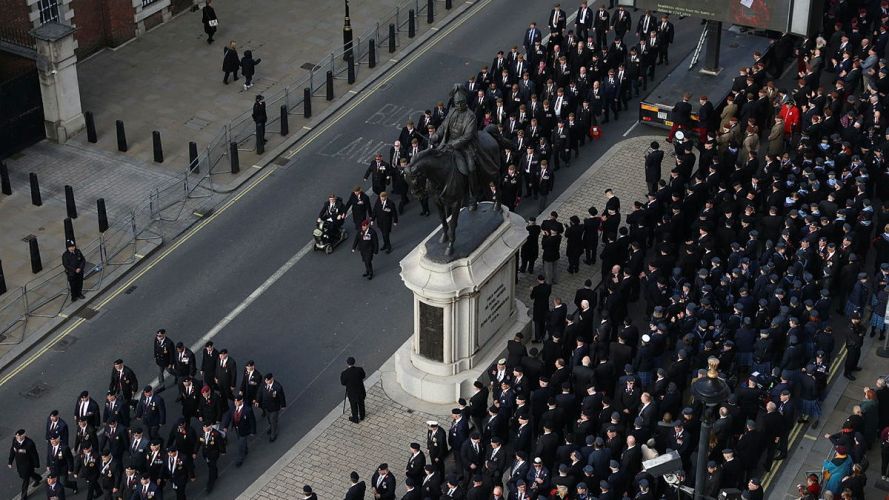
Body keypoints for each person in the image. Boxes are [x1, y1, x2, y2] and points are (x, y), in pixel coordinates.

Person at [8, 429, 41, 499]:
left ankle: (23, 496)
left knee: (25, 480)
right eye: (16, 436)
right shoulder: (15, 440)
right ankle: (38, 478)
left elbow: (34, 455)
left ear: (23, 435)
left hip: (28, 465)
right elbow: (12, 450)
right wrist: (10, 461)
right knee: (31, 474)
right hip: (19, 464)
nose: (17, 438)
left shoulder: (29, 443)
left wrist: (36, 464)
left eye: (19, 436)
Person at [256, 373, 286, 442]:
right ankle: (272, 426)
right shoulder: (264, 384)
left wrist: (283, 405)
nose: (266, 382)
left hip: (274, 407)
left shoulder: (277, 387)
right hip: (266, 406)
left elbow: (282, 396)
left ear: (271, 379)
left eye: (267, 380)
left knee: (273, 420)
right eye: (265, 380)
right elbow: (260, 392)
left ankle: (273, 434)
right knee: (269, 418)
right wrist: (257, 400)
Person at [196, 422, 224, 493]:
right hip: (205, 454)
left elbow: (220, 443)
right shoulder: (201, 433)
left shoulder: (216, 434)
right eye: (204, 428)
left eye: (206, 427)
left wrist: (222, 451)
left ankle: (209, 485)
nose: (205, 429)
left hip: (213, 454)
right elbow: (198, 443)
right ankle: (215, 474)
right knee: (211, 466)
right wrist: (195, 452)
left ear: (210, 426)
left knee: (211, 468)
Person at [228, 394, 256, 467]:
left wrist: (253, 431)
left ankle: (240, 459)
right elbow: (230, 416)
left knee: (240, 444)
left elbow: (252, 421)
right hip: (237, 429)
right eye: (235, 401)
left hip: (244, 430)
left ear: (241, 401)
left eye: (237, 401)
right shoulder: (233, 407)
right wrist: (225, 426)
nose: (235, 402)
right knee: (241, 441)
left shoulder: (247, 409)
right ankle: (245, 449)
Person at [341, 357, 367, 423]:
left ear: (347, 363)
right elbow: (363, 376)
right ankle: (362, 415)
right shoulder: (359, 369)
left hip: (352, 392)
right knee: (361, 403)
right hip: (360, 390)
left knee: (353, 405)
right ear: (354, 362)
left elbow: (343, 383)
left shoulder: (344, 373)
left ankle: (355, 418)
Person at [531, 275, 552, 343]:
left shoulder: (536, 288)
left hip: (538, 308)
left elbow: (532, 297)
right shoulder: (548, 287)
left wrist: (532, 290)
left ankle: (538, 338)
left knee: (537, 323)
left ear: (538, 280)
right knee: (543, 321)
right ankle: (543, 335)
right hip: (545, 307)